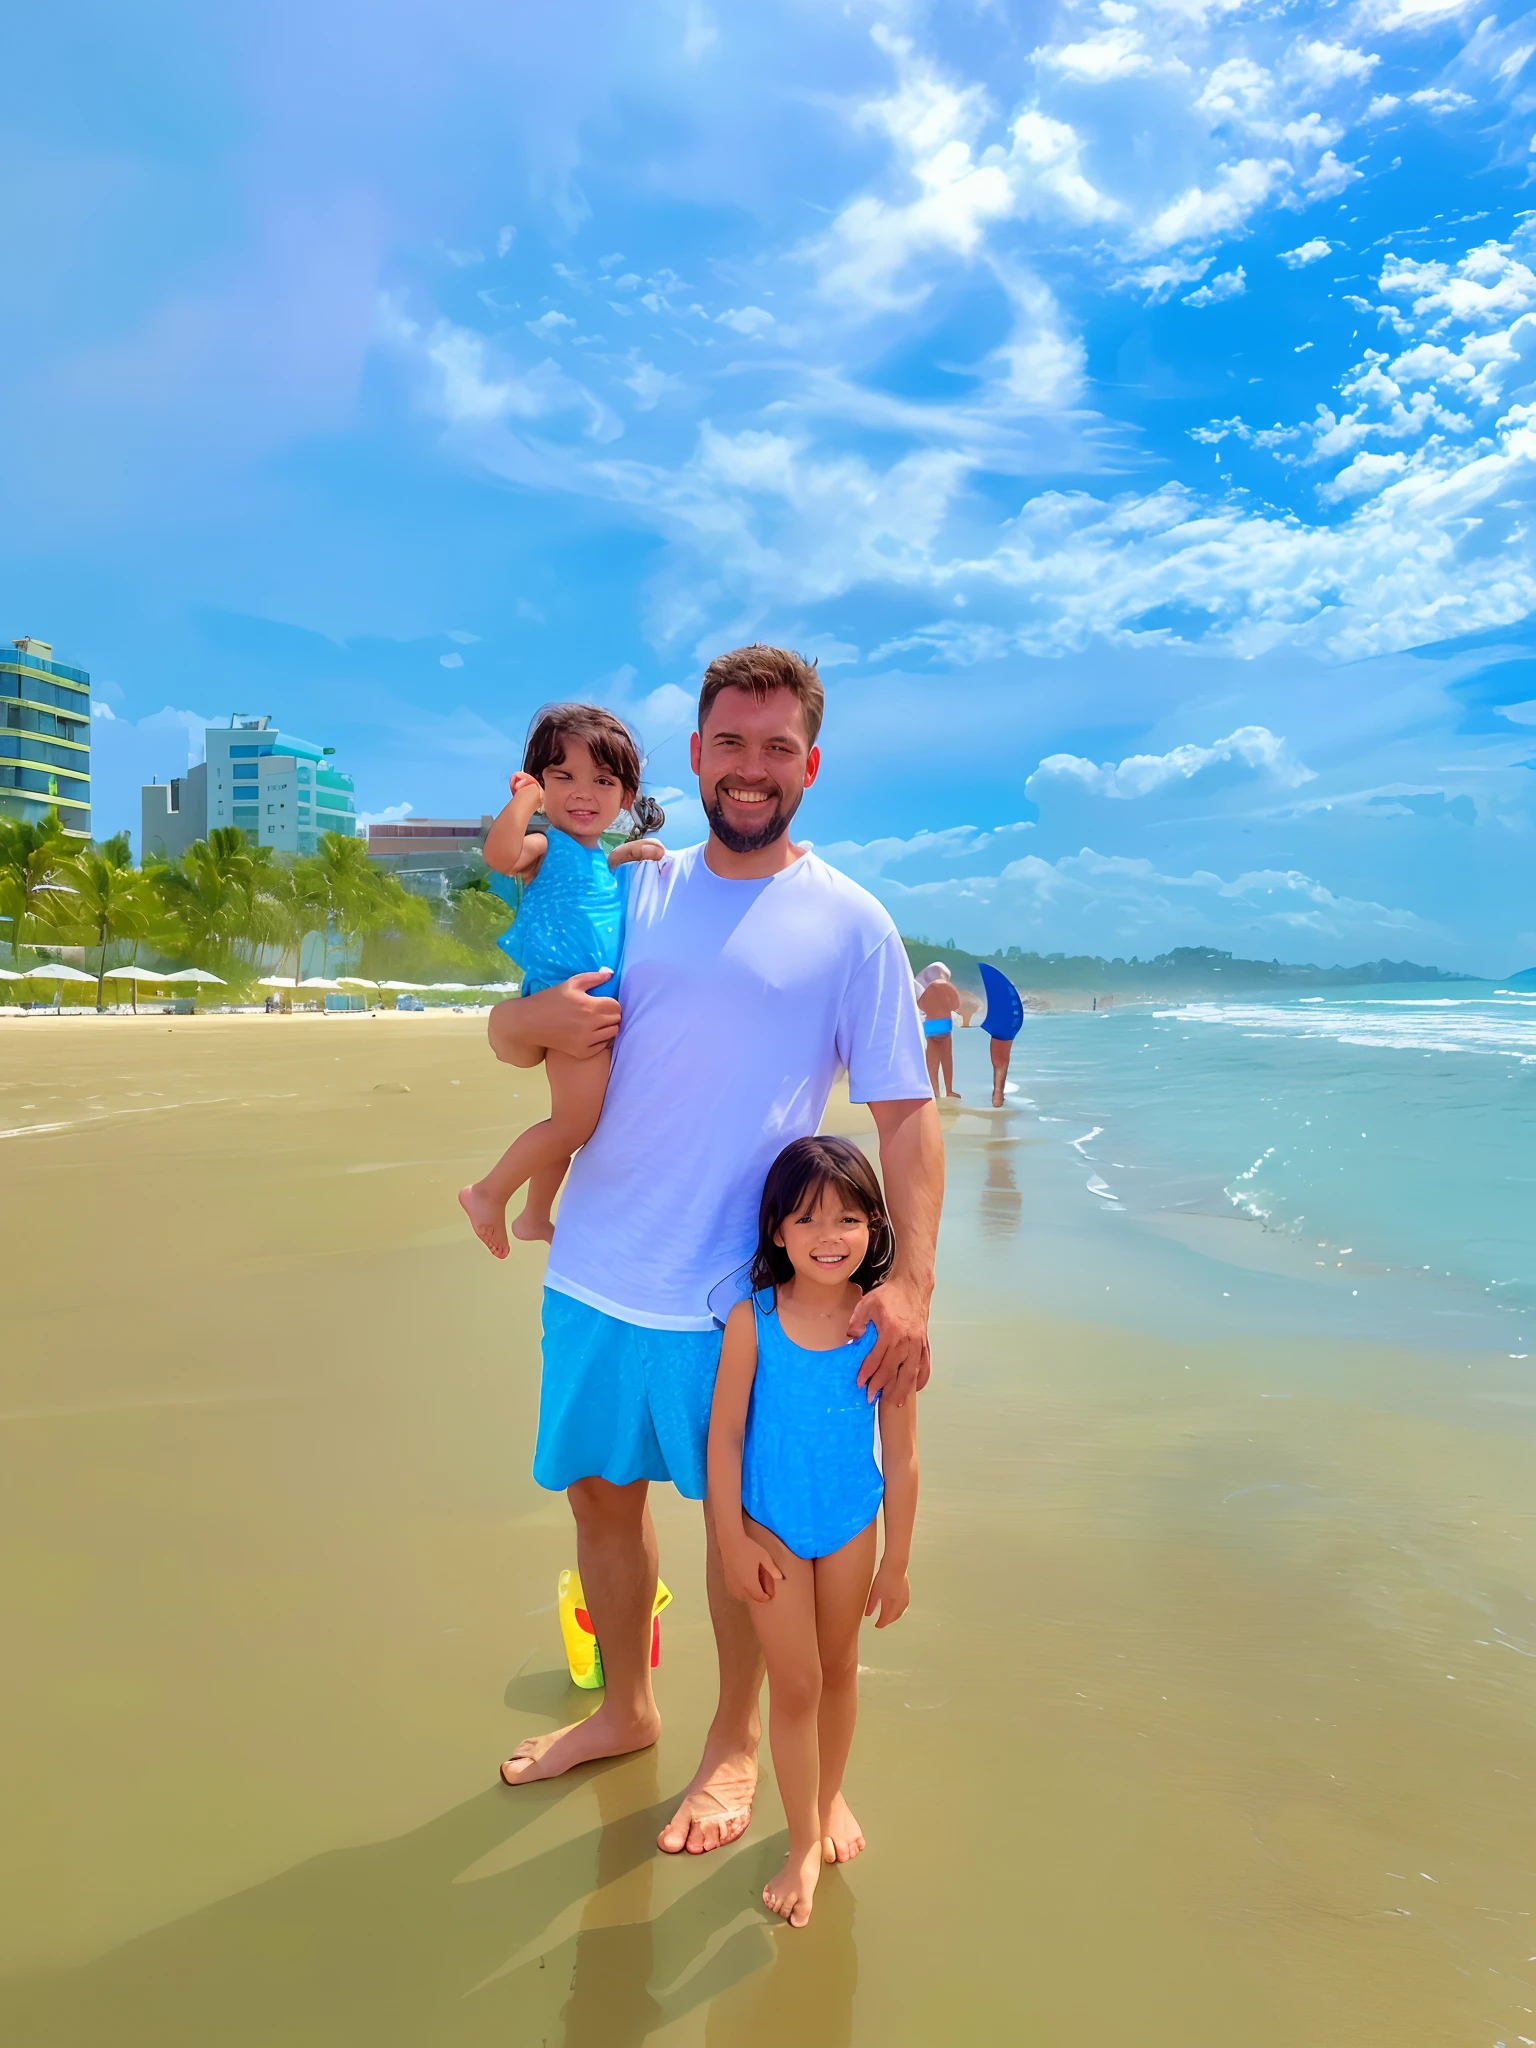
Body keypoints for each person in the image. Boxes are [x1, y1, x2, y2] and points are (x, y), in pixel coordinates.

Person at [487, 644, 943, 1862]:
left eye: (776, 748)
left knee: (742, 1533)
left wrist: (911, 1282)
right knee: (600, 1501)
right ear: (694, 754)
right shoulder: (627, 886)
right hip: (593, 1265)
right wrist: (522, 1019)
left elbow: (904, 1111)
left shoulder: (852, 923)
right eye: (729, 744)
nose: (751, 769)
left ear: (811, 764)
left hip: (738, 1300)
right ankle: (626, 1709)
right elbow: (520, 1029)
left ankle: (732, 1741)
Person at [708, 1136, 918, 1928]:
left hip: (849, 1526)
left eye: (849, 1218)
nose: (829, 1236)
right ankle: (801, 1843)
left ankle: (828, 1802)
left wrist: (896, 1562)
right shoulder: (751, 1321)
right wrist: (731, 1541)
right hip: (772, 1530)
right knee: (794, 1685)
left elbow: (901, 1457)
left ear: (874, 1226)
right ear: (777, 1232)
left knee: (839, 1669)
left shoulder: (883, 1331)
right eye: (807, 1219)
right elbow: (724, 1437)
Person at [457, 705, 664, 1259]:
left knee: (572, 1124)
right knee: (571, 1125)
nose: (583, 792)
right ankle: (488, 1193)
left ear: (625, 796)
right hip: (568, 1003)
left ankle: (532, 1216)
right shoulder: (544, 847)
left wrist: (627, 854)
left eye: (602, 780)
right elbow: (500, 856)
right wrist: (524, 800)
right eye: (563, 776)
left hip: (589, 1002)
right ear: (542, 783)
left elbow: (600, 888)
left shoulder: (596, 858)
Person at [914, 961, 962, 1100]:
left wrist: (932, 1008)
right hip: (944, 1025)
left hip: (930, 1026)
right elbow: (956, 1005)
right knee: (946, 1058)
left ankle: (934, 1090)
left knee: (932, 1059)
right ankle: (949, 1090)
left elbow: (921, 1005)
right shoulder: (949, 987)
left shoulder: (930, 988)